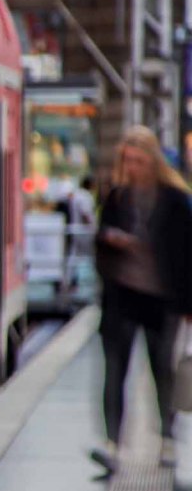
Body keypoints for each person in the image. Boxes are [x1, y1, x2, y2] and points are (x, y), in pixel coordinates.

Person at [93, 126, 192, 470]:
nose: (132, 167)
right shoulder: (117, 198)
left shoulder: (175, 200)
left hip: (162, 300)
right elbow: (99, 244)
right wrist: (110, 241)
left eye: (138, 160)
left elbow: (186, 253)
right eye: (127, 160)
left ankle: (166, 438)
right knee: (114, 370)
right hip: (122, 297)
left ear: (152, 160)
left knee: (161, 368)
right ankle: (112, 442)